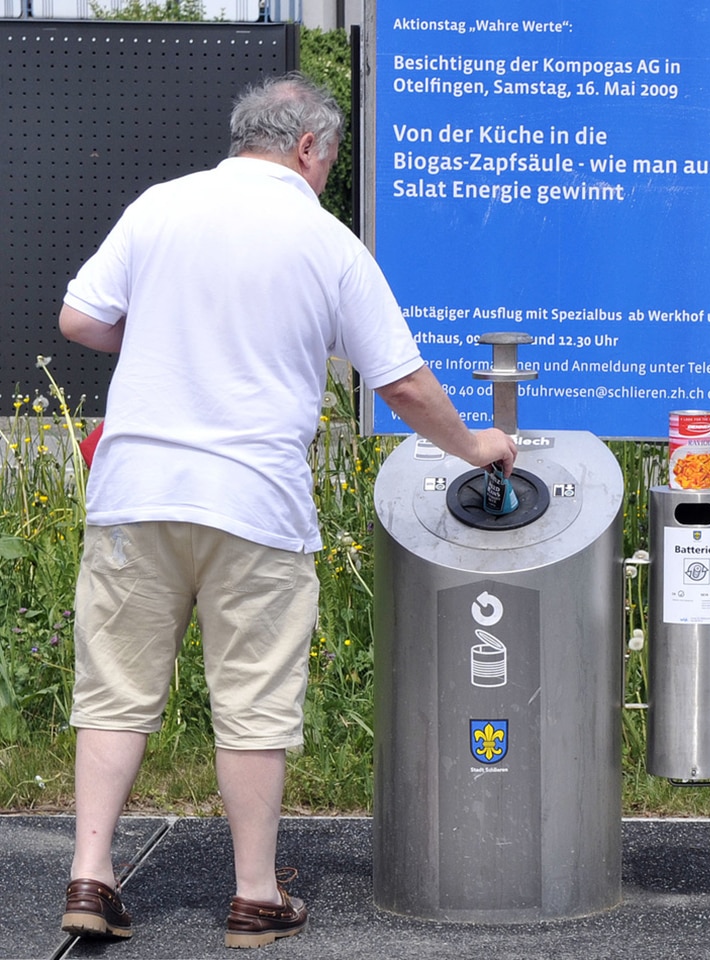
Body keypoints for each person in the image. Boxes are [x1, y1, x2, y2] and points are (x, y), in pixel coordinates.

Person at [54, 73, 516, 948]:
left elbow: (80, 319)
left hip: (135, 492)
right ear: (309, 147)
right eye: (328, 161)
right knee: (254, 700)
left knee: (113, 692)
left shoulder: (159, 206)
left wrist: (160, 332)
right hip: (253, 504)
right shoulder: (325, 239)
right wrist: (478, 446)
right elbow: (403, 384)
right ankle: (255, 897)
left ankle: (90, 874)